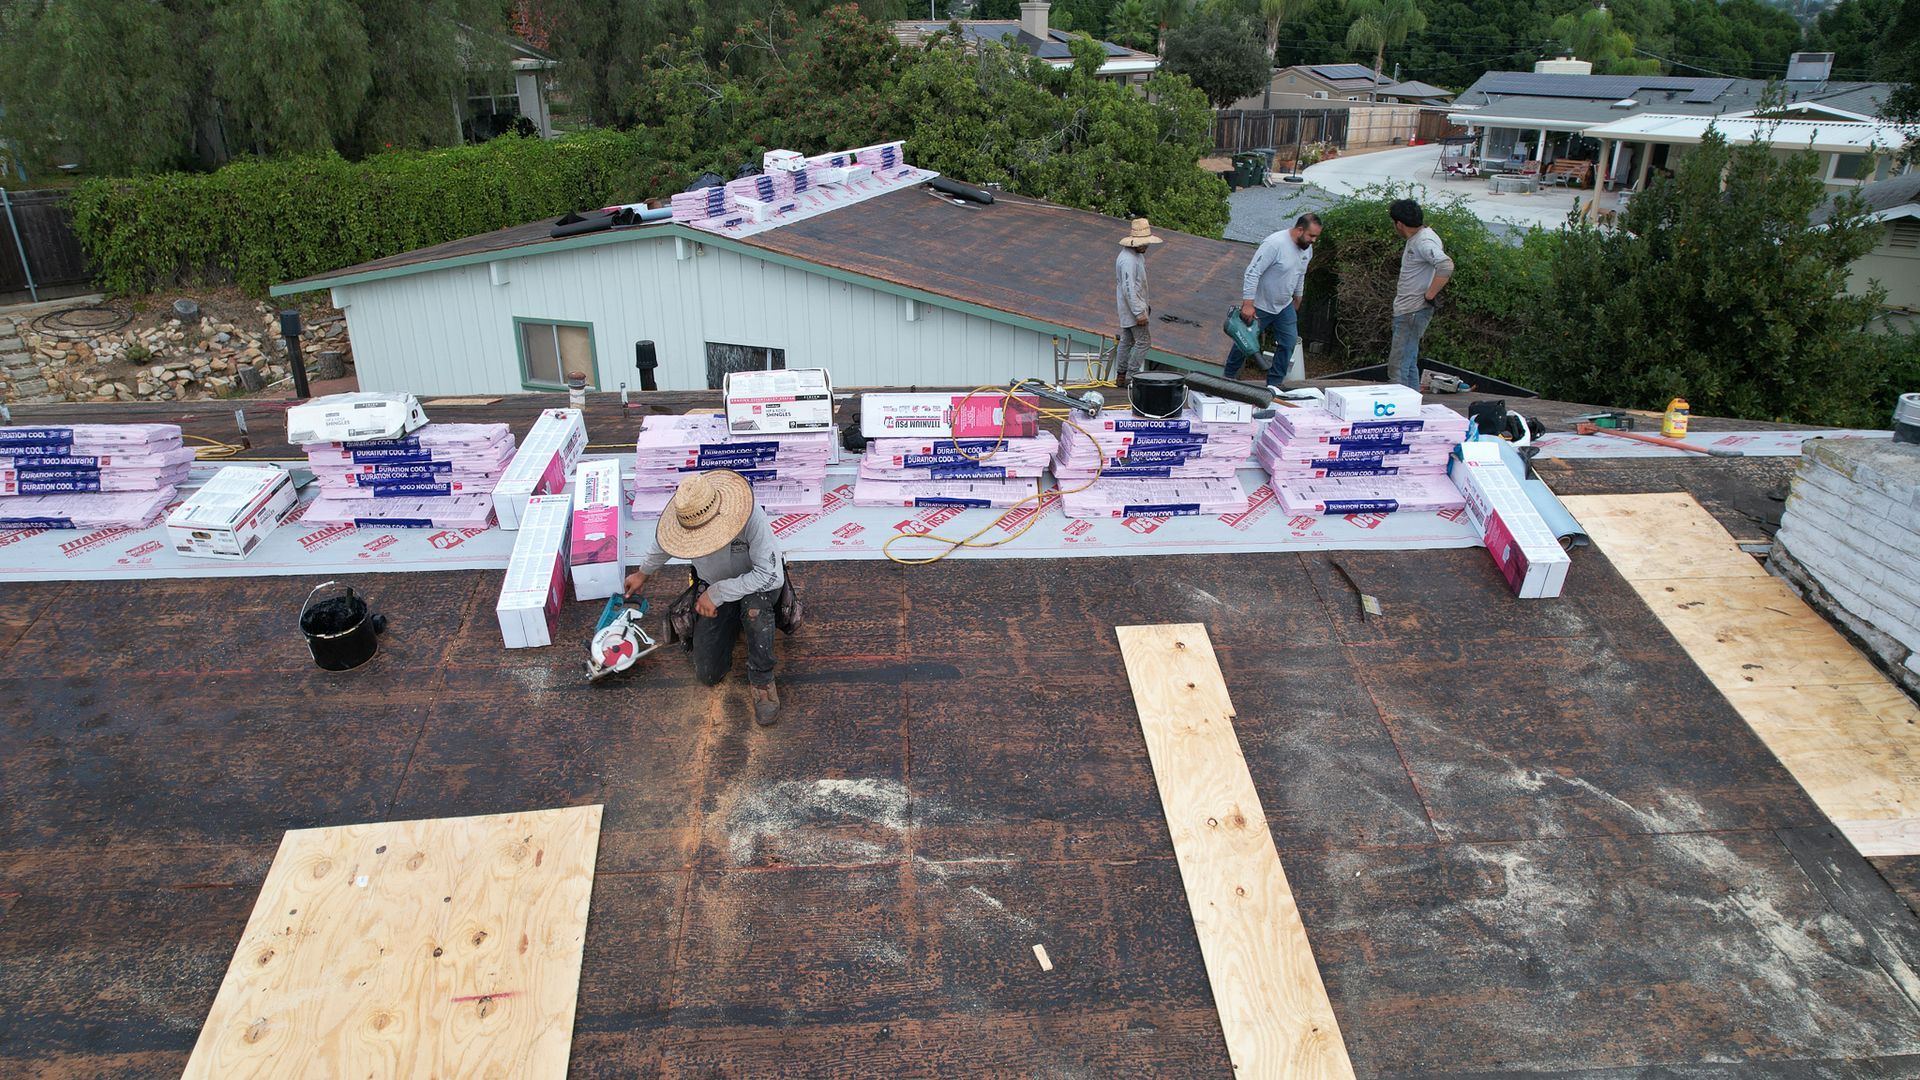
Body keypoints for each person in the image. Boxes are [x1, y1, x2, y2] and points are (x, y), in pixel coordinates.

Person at [624, 469, 787, 726]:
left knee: (754, 610)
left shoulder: (750, 515)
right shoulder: (686, 515)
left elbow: (771, 576)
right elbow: (662, 544)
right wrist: (643, 574)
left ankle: (762, 680)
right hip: (714, 587)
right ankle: (735, 623)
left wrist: (717, 594)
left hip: (756, 587)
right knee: (708, 674)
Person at [1228, 213, 1320, 388]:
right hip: (1260, 305)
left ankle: (1274, 385)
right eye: (1311, 236)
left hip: (1283, 306)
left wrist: (1298, 295)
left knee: (1288, 342)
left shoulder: (1306, 248)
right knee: (1244, 342)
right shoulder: (1275, 244)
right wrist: (1248, 303)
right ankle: (1228, 377)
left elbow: (1301, 273)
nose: (1313, 240)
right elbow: (1252, 272)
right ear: (1300, 229)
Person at [1387, 198, 1455, 390]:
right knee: (1407, 363)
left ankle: (1400, 409)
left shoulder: (1424, 241)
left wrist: (1429, 296)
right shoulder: (1421, 237)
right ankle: (1413, 406)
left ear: (1399, 224)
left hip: (1413, 311)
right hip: (1411, 311)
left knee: (1398, 366)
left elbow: (1446, 265)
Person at [1114, 218, 1162, 386]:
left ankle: (1121, 374)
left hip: (1132, 306)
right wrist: (1138, 312)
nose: (1146, 246)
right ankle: (1131, 375)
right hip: (1133, 308)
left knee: (1127, 340)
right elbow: (1129, 289)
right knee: (1143, 342)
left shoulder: (1134, 256)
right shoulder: (1128, 259)